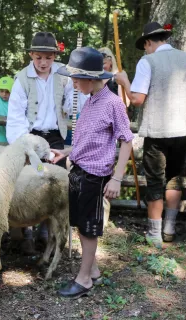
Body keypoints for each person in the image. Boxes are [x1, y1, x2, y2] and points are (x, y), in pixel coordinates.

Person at [115, 22, 186, 247]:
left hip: (158, 132)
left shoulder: (148, 61)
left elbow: (137, 99)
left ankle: (155, 235)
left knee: (155, 181)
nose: (145, 50)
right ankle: (169, 228)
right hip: (183, 131)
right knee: (174, 179)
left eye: (145, 46)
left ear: (148, 42)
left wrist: (124, 81)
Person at [50, 47, 133, 298]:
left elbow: (126, 140)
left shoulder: (113, 103)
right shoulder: (89, 101)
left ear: (92, 77)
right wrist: (67, 152)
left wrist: (117, 178)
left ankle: (84, 279)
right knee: (78, 222)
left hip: (95, 176)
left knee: (89, 228)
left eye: (76, 78)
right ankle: (93, 270)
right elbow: (88, 138)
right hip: (77, 170)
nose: (73, 83)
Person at [6, 31, 73, 254]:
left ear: (54, 56)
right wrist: (24, 144)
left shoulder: (65, 75)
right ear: (31, 55)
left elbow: (74, 101)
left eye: (48, 58)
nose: (43, 63)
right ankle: (27, 234)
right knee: (29, 183)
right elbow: (16, 115)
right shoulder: (22, 79)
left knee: (52, 184)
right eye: (39, 57)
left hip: (55, 135)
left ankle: (47, 233)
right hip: (30, 135)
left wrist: (69, 105)